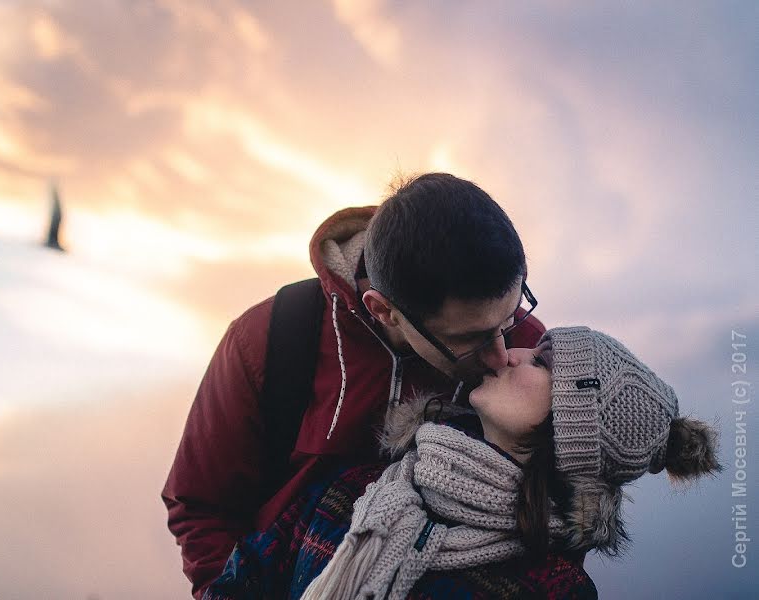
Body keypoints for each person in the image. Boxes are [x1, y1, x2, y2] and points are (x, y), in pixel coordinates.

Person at [162, 173, 547, 598]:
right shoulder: (269, 339)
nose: (500, 354)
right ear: (383, 310)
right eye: (469, 339)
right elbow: (201, 507)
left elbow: (566, 503)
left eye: (512, 314)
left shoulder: (529, 354)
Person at [203, 326, 721, 599]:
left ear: (573, 425)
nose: (510, 354)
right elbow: (238, 582)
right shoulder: (356, 487)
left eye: (541, 363)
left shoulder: (552, 588)